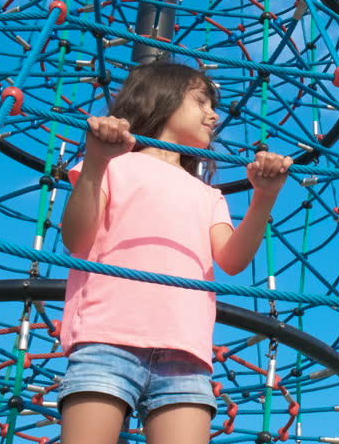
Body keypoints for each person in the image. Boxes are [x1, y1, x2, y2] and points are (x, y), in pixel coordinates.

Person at [58, 61, 292, 444]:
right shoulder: (114, 165)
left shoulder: (207, 194)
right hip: (107, 338)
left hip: (185, 354)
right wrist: (97, 161)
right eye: (201, 101)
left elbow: (232, 260)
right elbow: (76, 240)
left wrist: (264, 197)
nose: (214, 115)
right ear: (161, 98)